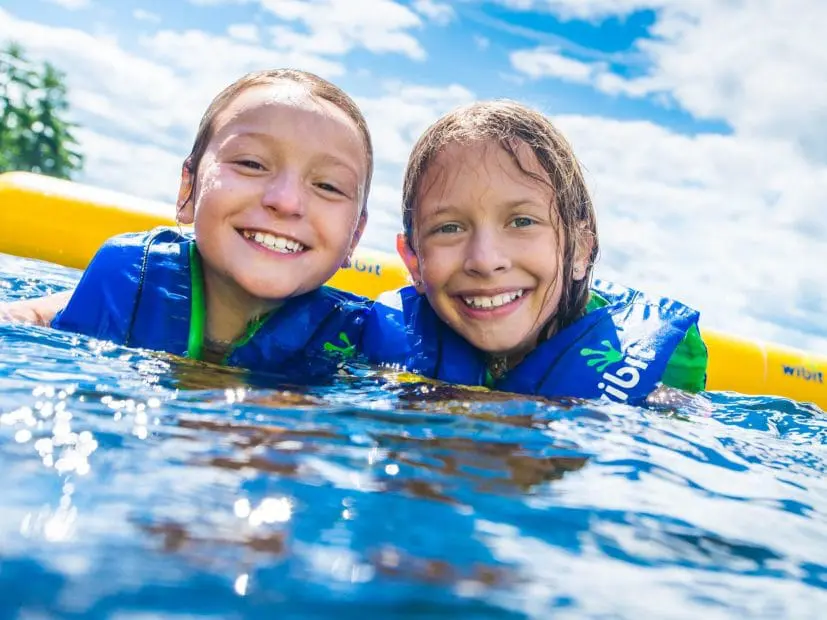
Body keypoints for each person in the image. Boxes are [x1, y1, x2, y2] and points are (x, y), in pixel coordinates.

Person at [1, 69, 373, 378]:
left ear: (354, 236)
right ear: (188, 190)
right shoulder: (129, 281)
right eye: (251, 164)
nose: (285, 201)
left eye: (327, 186)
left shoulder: (359, 344)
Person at [361, 100, 708, 405]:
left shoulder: (655, 396)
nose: (485, 260)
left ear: (580, 251)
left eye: (522, 221)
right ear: (414, 262)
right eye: (449, 228)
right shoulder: (375, 358)